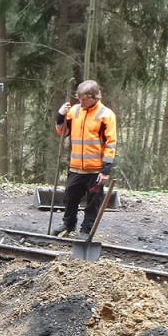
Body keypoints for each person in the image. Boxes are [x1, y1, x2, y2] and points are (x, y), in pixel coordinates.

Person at [52, 80, 117, 237]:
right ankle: (68, 224)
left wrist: (106, 170)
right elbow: (62, 132)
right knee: (70, 198)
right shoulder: (74, 111)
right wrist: (60, 115)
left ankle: (86, 230)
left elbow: (110, 143)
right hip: (76, 167)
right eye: (79, 98)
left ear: (94, 97)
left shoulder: (106, 115)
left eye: (83, 99)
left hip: (96, 169)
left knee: (93, 202)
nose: (80, 102)